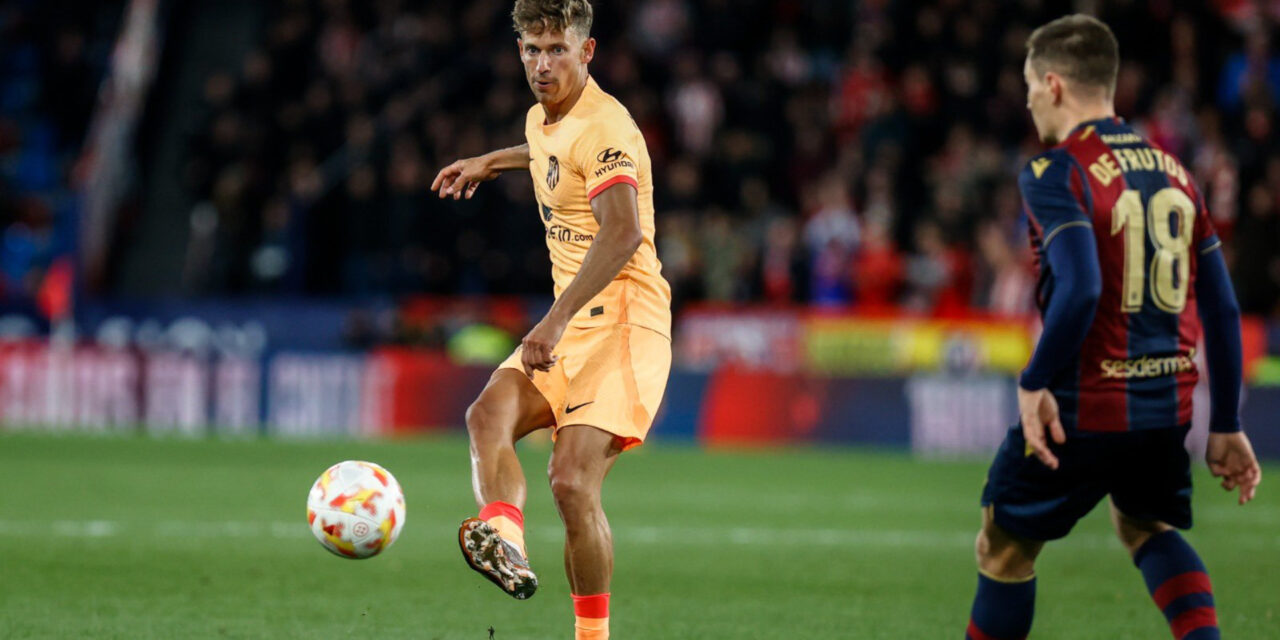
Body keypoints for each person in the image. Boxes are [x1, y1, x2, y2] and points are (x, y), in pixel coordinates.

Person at [965, 15, 1262, 640]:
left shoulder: (1055, 173)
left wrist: (1034, 380)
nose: (1024, 100)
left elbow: (1081, 287)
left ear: (1052, 85)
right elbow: (1223, 308)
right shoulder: (1176, 171)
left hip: (1082, 408)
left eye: (1027, 85)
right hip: (1165, 407)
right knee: (1144, 525)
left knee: (1003, 549)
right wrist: (1227, 423)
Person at [429, 1, 671, 638]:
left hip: (624, 323)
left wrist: (555, 321)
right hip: (574, 319)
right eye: (532, 50)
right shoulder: (543, 117)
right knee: (486, 415)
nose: (543, 64)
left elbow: (621, 234)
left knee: (570, 481)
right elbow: (546, 148)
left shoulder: (608, 129)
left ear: (587, 53)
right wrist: (490, 160)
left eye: (558, 50)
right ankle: (504, 532)